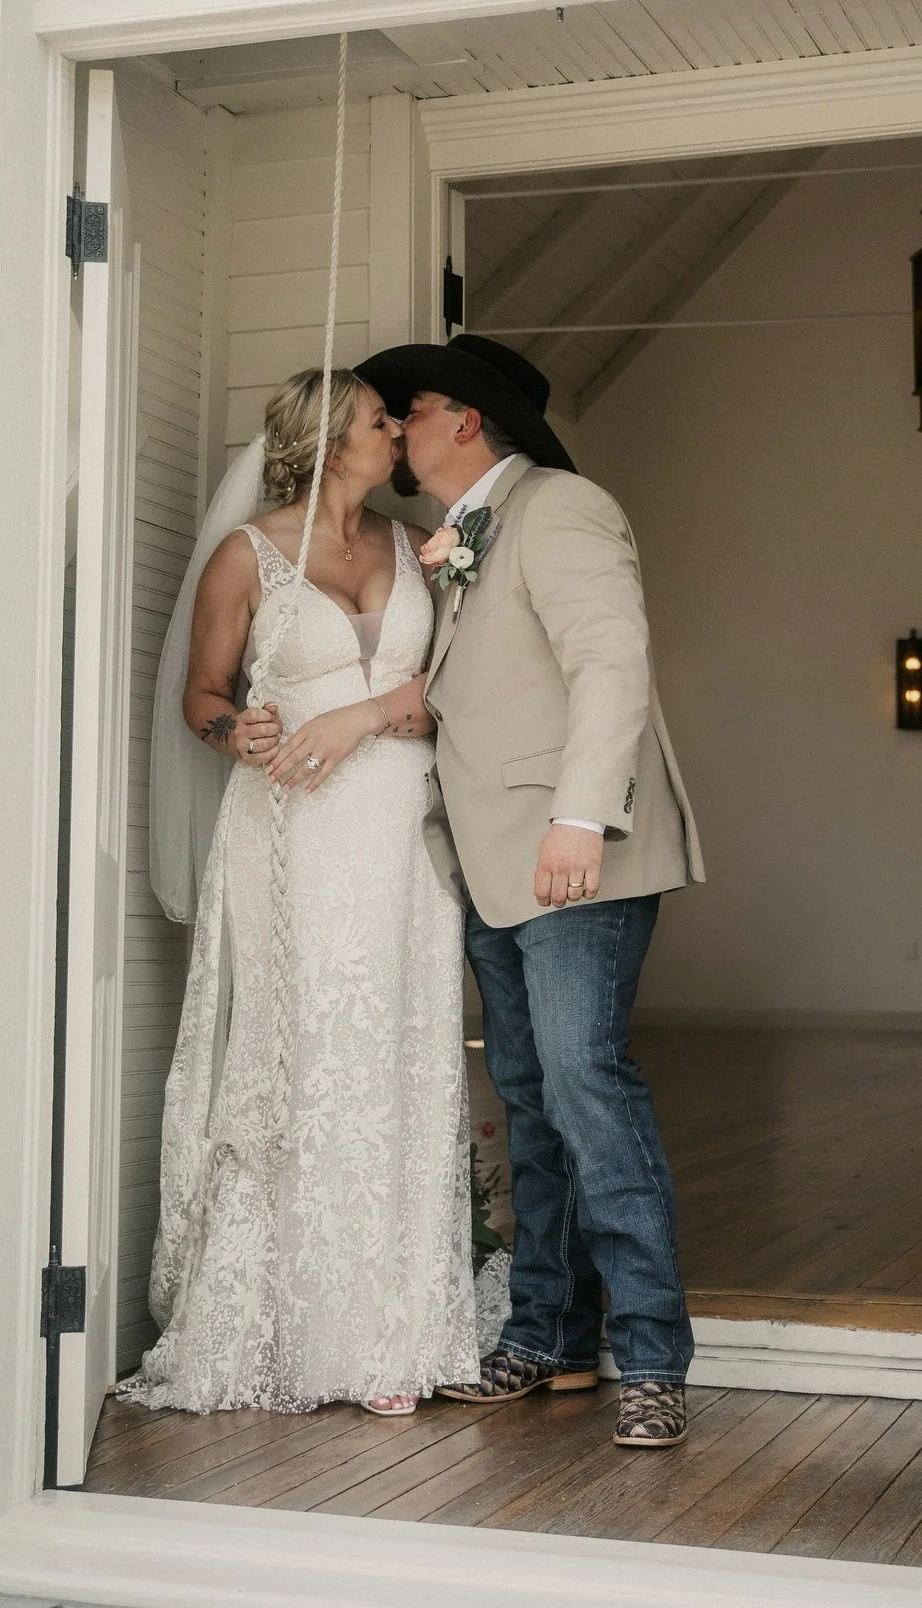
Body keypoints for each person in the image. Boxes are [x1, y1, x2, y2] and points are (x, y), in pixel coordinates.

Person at [355, 333, 704, 1448]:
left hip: (571, 854)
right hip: (493, 863)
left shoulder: (560, 507)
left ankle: (652, 1357)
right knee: (534, 1101)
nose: (395, 429)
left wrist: (577, 816)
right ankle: (546, 1341)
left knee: (586, 1086)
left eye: (405, 411)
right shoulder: (459, 538)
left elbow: (613, 662)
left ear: (463, 419)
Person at [137, 367, 478, 1417]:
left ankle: (393, 1332)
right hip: (292, 829)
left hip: (403, 834)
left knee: (400, 1049)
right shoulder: (247, 557)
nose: (399, 431)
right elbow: (203, 694)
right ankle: (282, 1320)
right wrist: (230, 729)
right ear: (334, 440)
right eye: (384, 419)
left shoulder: (414, 542)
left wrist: (391, 713)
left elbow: (457, 674)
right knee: (306, 1054)